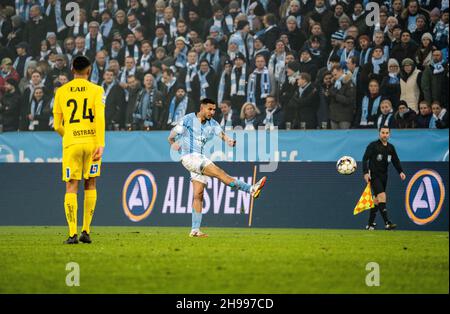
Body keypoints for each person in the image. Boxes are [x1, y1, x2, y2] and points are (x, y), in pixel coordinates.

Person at [167, 98, 267, 238]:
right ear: (202, 108)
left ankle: (195, 230)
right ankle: (250, 189)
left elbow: (221, 134)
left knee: (198, 194)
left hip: (199, 157)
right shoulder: (188, 119)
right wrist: (174, 143)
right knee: (220, 173)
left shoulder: (212, 123)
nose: (212, 112)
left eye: (214, 110)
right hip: (189, 157)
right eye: (210, 109)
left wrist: (229, 141)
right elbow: (171, 136)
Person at [53, 56, 106, 244]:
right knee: (90, 184)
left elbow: (57, 125)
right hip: (92, 143)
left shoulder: (61, 91)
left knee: (71, 186)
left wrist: (69, 135)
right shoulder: (97, 90)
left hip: (72, 143)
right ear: (89, 70)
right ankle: (86, 231)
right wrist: (101, 144)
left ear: (71, 69)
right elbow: (99, 118)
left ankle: (72, 234)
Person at [363, 127, 407, 231]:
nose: (385, 135)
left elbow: (396, 160)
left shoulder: (391, 148)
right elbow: (365, 159)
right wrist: (365, 173)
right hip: (374, 175)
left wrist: (400, 171)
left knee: (377, 200)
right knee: (382, 196)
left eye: (387, 133)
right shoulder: (373, 145)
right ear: (379, 133)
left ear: (389, 134)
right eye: (383, 133)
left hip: (384, 176)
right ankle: (387, 223)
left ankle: (370, 224)